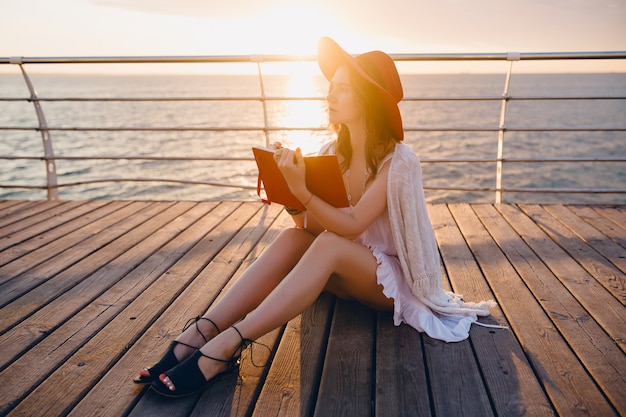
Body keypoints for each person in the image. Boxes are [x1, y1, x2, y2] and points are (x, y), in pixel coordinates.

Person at [135, 37, 496, 398]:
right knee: (295, 239)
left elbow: (352, 225)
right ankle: (202, 332)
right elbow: (308, 228)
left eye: (342, 89)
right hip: (345, 269)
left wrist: (304, 190)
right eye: (331, 88)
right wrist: (291, 194)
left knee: (328, 246)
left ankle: (228, 345)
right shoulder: (333, 152)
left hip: (391, 284)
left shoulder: (399, 161)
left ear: (367, 99)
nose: (331, 96)